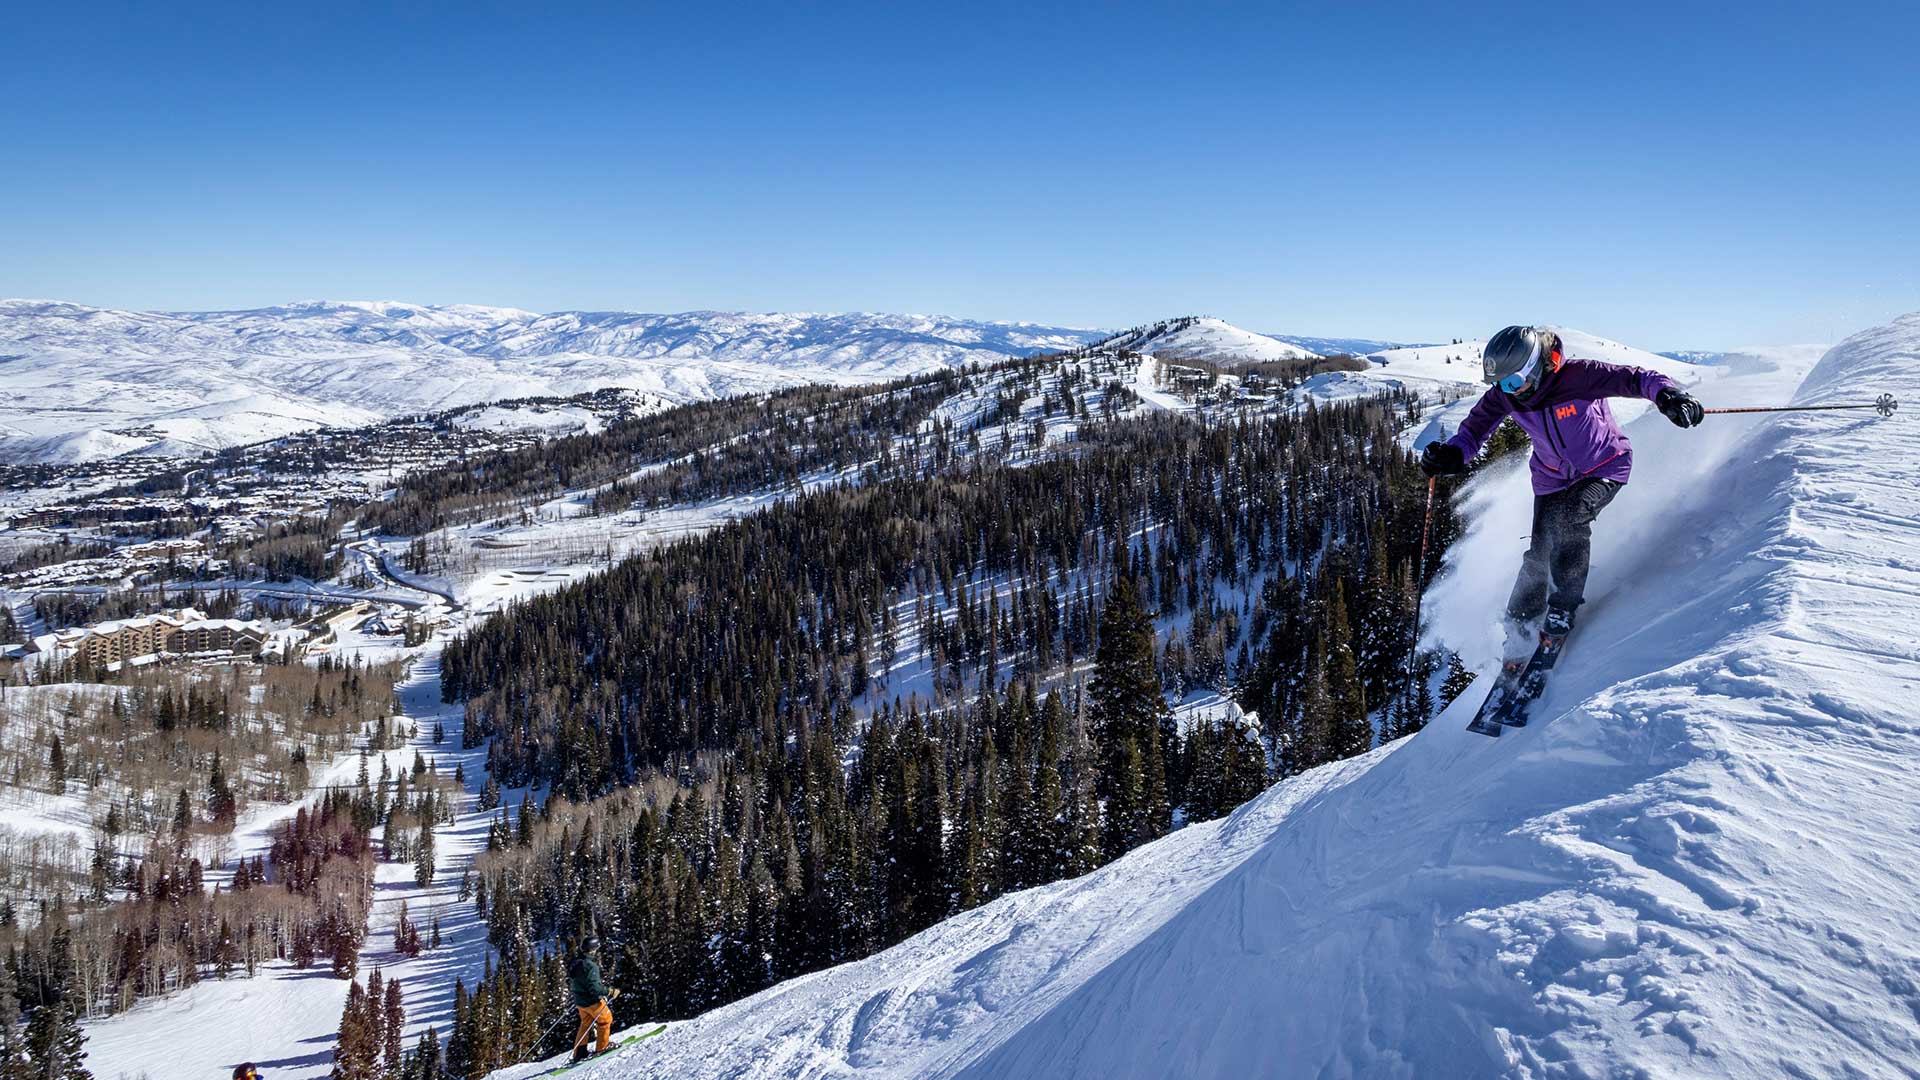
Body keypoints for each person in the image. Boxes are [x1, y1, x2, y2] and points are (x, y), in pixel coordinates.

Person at [1420, 325, 1703, 666]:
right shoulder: (1507, 395)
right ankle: (1521, 622)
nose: (1509, 391)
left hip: (1604, 466)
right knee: (1539, 550)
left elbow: (1639, 378)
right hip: (1551, 478)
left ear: (1536, 365)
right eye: (1500, 384)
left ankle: (1561, 611)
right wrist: (1452, 455)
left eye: (1513, 381)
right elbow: (1474, 430)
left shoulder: (1580, 377)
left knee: (1568, 521)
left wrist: (1669, 396)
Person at [567, 937, 614, 1061]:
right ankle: (602, 1047)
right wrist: (609, 991)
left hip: (580, 1001)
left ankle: (579, 1052)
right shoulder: (591, 966)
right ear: (593, 949)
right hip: (592, 1001)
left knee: (585, 1024)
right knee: (605, 1020)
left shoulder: (576, 961)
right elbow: (595, 989)